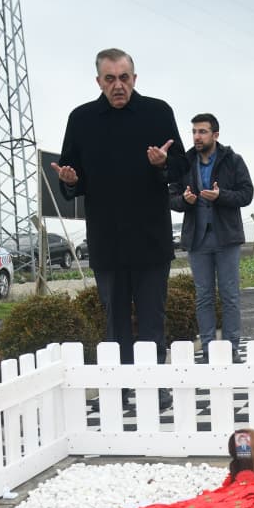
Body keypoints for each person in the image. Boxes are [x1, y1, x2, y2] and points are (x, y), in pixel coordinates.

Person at [53, 48, 187, 369]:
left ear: (134, 79)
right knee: (115, 323)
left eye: (124, 78)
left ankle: (154, 383)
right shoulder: (81, 119)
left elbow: (182, 166)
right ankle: (122, 385)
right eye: (110, 79)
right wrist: (71, 181)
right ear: (98, 81)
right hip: (106, 239)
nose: (118, 86)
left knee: (152, 318)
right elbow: (69, 180)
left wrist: (163, 163)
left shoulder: (157, 112)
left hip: (151, 238)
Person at [172, 113, 254, 358]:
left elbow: (246, 194)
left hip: (226, 237)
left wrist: (221, 196)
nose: (197, 136)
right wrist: (184, 201)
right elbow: (172, 197)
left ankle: (232, 348)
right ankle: (208, 349)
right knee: (203, 296)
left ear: (215, 135)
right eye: (194, 132)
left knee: (230, 295)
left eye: (202, 131)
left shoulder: (233, 160)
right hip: (197, 238)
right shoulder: (184, 162)